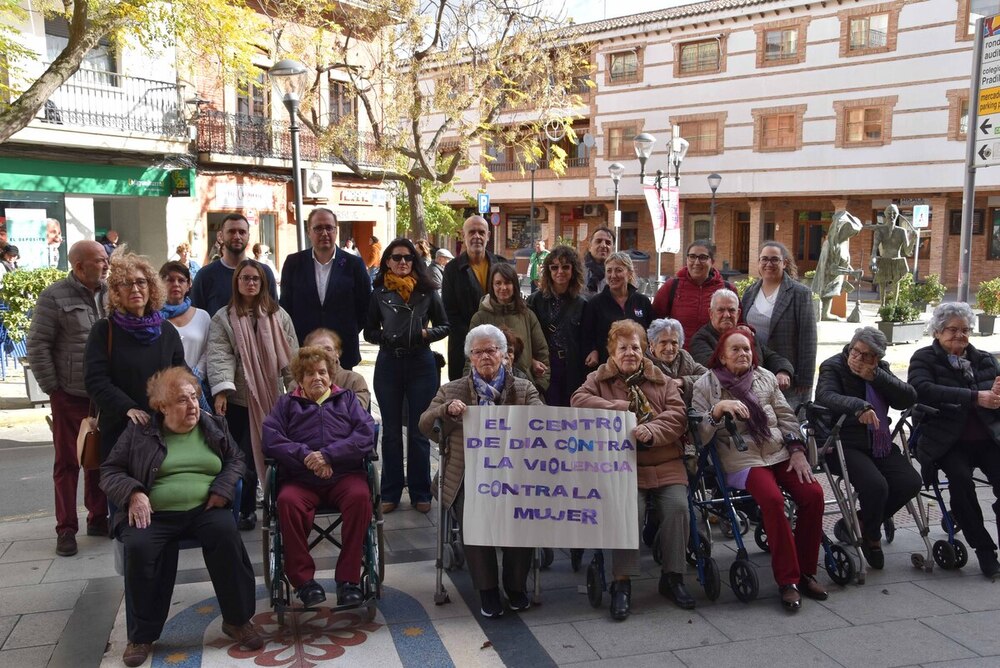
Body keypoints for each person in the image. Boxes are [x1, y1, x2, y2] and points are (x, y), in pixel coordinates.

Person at [101, 367, 261, 667]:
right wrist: (135, 493)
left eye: (194, 398)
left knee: (226, 535)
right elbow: (110, 470)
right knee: (140, 548)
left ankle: (238, 620)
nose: (193, 407)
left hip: (206, 509)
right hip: (156, 513)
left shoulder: (213, 425)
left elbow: (236, 460)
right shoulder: (140, 431)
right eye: (182, 401)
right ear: (161, 407)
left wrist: (223, 488)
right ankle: (141, 636)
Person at [691, 326, 827, 611]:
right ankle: (788, 581)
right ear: (722, 357)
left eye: (747, 349)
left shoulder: (765, 377)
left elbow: (787, 418)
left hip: (778, 450)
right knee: (773, 500)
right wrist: (716, 412)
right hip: (742, 458)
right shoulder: (707, 384)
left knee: (813, 493)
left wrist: (797, 450)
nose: (743, 353)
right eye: (735, 349)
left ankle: (806, 571)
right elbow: (700, 436)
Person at [418, 324, 543, 618]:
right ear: (470, 358)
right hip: (467, 475)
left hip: (515, 475)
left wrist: (531, 418)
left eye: (491, 350)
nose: (485, 356)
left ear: (504, 355)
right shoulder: (452, 389)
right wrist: (445, 411)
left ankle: (515, 587)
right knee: (473, 516)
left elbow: (545, 421)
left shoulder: (523, 389)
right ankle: (487, 590)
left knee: (522, 514)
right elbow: (425, 425)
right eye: (478, 352)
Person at [572, 320, 691, 620]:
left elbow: (678, 416)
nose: (629, 353)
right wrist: (617, 410)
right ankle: (621, 583)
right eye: (622, 347)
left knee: (678, 508)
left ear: (644, 350)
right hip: (623, 467)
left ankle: (673, 577)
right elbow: (578, 401)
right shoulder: (597, 378)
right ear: (611, 351)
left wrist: (651, 430)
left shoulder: (660, 378)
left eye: (635, 347)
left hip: (665, 460)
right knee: (629, 513)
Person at [263, 346, 376, 608]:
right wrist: (306, 457)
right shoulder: (286, 404)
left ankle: (348, 580)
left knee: (361, 497)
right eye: (310, 373)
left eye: (323, 372)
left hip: (343, 475)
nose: (318, 378)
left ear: (331, 375)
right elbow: (270, 439)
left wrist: (328, 455)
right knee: (287, 502)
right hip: (301, 479)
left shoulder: (346, 400)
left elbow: (366, 435)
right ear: (299, 379)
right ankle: (304, 582)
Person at [26, 240, 110, 556]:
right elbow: (37, 346)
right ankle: (66, 529)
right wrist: (54, 389)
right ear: (79, 266)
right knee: (68, 463)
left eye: (106, 260)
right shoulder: (54, 297)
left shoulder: (110, 293)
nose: (105, 265)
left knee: (99, 459)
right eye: (100, 260)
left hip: (103, 394)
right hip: (70, 395)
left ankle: (98, 517)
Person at [907, 302, 1000, 579]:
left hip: (987, 437)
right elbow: (921, 389)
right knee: (961, 482)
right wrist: (974, 397)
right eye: (953, 329)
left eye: (965, 330)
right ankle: (985, 550)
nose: (960, 335)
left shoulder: (984, 359)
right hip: (946, 439)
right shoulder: (924, 358)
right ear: (937, 331)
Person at [815, 327, 919, 569]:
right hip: (842, 442)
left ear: (877, 359)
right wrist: (858, 406)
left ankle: (862, 520)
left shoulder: (879, 371)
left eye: (866, 355)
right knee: (876, 485)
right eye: (855, 351)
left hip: (878, 442)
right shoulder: (833, 366)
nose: (858, 358)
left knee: (910, 482)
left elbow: (908, 398)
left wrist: (876, 377)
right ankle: (872, 537)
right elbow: (825, 395)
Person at [208, 259, 298, 530]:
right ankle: (246, 509)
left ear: (263, 283)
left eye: (255, 279)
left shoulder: (279, 315)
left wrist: (295, 389)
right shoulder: (224, 317)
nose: (250, 283)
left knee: (277, 453)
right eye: (244, 278)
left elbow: (291, 355)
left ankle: (279, 502)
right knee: (242, 457)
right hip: (239, 400)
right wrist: (222, 391)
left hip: (273, 398)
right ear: (236, 282)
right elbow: (219, 355)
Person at [364, 238, 450, 514]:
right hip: (389, 363)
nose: (403, 262)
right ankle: (390, 491)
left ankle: (420, 491)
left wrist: (425, 334)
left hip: (421, 364)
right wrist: (388, 337)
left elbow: (445, 324)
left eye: (408, 258)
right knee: (390, 432)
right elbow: (369, 332)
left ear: (415, 261)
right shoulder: (378, 293)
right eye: (397, 257)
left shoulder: (426, 292)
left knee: (419, 430)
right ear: (387, 261)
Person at [84, 250, 186, 463]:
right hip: (121, 431)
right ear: (115, 292)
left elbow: (181, 374)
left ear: (151, 288)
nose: (135, 289)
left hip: (164, 429)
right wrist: (127, 408)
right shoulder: (104, 330)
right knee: (126, 494)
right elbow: (96, 381)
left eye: (141, 282)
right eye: (126, 284)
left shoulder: (167, 331)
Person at [279, 208, 370, 369]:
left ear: (336, 230)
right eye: (318, 228)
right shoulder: (294, 263)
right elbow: (286, 306)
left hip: (342, 350)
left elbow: (365, 306)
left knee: (342, 394)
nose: (324, 233)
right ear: (309, 232)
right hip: (304, 350)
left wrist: (346, 331)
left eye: (329, 227)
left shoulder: (353, 264)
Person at [740, 241, 817, 404]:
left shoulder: (800, 293)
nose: (769, 264)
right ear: (759, 263)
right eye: (764, 259)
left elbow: (808, 339)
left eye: (775, 259)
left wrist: (805, 379)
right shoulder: (749, 292)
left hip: (787, 377)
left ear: (784, 263)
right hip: (754, 374)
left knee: (788, 423)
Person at [442, 215, 506, 380]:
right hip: (464, 348)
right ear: (463, 236)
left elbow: (511, 305)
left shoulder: (501, 265)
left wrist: (496, 340)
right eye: (471, 232)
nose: (476, 236)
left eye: (481, 232)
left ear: (488, 236)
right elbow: (450, 313)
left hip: (498, 347)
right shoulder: (452, 270)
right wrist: (477, 341)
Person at [469, 262, 550, 392]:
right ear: (492, 286)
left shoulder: (527, 315)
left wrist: (540, 385)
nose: (503, 287)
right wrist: (472, 389)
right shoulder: (480, 318)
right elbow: (470, 357)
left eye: (507, 283)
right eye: (498, 283)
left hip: (524, 387)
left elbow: (542, 352)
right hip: (488, 389)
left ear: (514, 285)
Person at [689, 290, 794, 389]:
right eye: (721, 310)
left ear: (738, 314)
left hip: (760, 392)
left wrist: (783, 371)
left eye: (731, 310)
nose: (727, 315)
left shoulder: (745, 336)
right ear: (711, 313)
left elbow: (771, 356)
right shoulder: (700, 339)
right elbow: (715, 368)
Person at [526, 245, 587, 406]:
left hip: (572, 367)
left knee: (570, 411)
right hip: (545, 366)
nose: (560, 271)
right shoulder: (534, 301)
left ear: (573, 270)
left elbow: (586, 338)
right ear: (548, 271)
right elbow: (525, 335)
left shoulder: (582, 304)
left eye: (565, 267)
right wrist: (531, 360)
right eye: (554, 267)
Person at [652, 240, 736, 347]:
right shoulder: (671, 287)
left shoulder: (727, 289)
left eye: (702, 257)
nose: (696, 262)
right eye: (692, 256)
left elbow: (739, 322)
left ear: (712, 261)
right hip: (679, 357)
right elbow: (654, 323)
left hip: (714, 356)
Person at [191, 214, 277, 317]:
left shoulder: (264, 272)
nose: (237, 236)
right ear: (221, 236)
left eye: (242, 232)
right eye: (231, 231)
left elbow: (274, 313)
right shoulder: (205, 275)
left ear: (248, 236)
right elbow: (196, 318)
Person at [582, 251, 653, 368]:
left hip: (636, 366)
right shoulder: (595, 303)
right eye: (609, 271)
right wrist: (592, 350)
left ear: (629, 273)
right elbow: (586, 335)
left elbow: (651, 334)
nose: (613, 275)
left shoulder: (642, 302)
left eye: (618, 270)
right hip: (606, 366)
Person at [159, 261, 211, 393]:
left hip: (196, 384)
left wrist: (195, 376)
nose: (176, 284)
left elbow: (208, 351)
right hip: (163, 387)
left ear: (188, 285)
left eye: (181, 280)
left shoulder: (202, 316)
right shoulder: (153, 319)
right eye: (170, 280)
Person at [303, 328, 371, 410]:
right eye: (317, 349)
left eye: (328, 349)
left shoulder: (354, 380)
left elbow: (357, 411)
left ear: (337, 353)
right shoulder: (299, 382)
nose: (323, 353)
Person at [646, 318, 708, 405]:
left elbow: (708, 377)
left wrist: (683, 381)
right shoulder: (644, 363)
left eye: (674, 343)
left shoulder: (685, 358)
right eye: (663, 342)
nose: (669, 348)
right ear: (652, 344)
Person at [583, 226, 614, 297]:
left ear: (613, 248)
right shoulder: (578, 271)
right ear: (590, 246)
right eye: (598, 241)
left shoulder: (618, 274)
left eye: (608, 243)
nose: (603, 245)